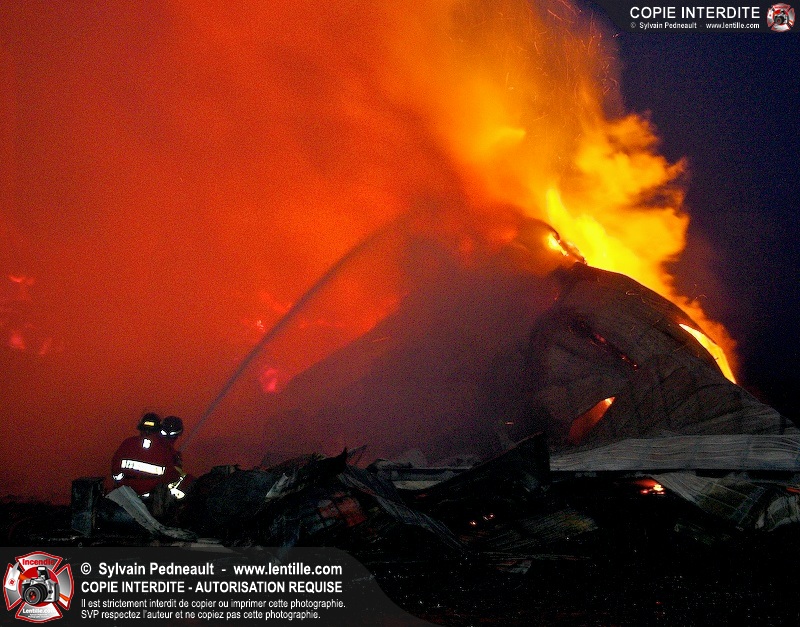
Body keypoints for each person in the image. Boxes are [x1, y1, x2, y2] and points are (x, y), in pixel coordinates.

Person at [110, 413, 182, 502]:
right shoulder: (166, 449)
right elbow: (172, 475)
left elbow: (115, 467)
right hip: (149, 500)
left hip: (124, 494)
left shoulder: (128, 443)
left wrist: (121, 484)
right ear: (158, 429)